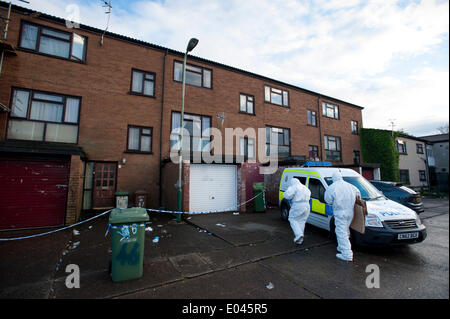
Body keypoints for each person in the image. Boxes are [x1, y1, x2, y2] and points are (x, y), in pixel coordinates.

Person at [324, 171, 361, 261]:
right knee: (345, 230)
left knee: (341, 232)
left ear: (333, 179)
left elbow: (328, 200)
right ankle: (341, 247)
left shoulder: (332, 187)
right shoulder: (351, 186)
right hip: (350, 212)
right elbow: (359, 196)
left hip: (340, 212)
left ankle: (347, 254)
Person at [283, 178, 311, 245]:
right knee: (301, 221)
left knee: (292, 219)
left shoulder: (294, 187)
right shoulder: (305, 187)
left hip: (298, 205)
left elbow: (287, 195)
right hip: (307, 205)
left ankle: (298, 235)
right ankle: (300, 240)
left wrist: (289, 188)